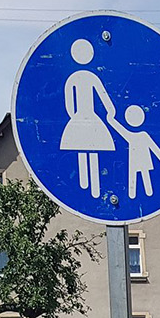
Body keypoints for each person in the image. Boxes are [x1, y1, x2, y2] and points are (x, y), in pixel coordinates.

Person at [60, 38, 117, 199]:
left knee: (86, 150)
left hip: (82, 118)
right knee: (90, 150)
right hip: (88, 118)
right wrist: (110, 111)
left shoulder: (75, 78)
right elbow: (103, 97)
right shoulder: (88, 77)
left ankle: (89, 186)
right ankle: (90, 187)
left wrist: (74, 117)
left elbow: (69, 104)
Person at [108, 105, 160, 200]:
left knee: (141, 176)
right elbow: (121, 130)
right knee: (137, 176)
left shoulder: (138, 135)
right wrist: (111, 120)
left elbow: (152, 146)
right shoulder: (140, 135)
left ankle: (142, 194)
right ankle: (137, 194)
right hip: (137, 160)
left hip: (139, 159)